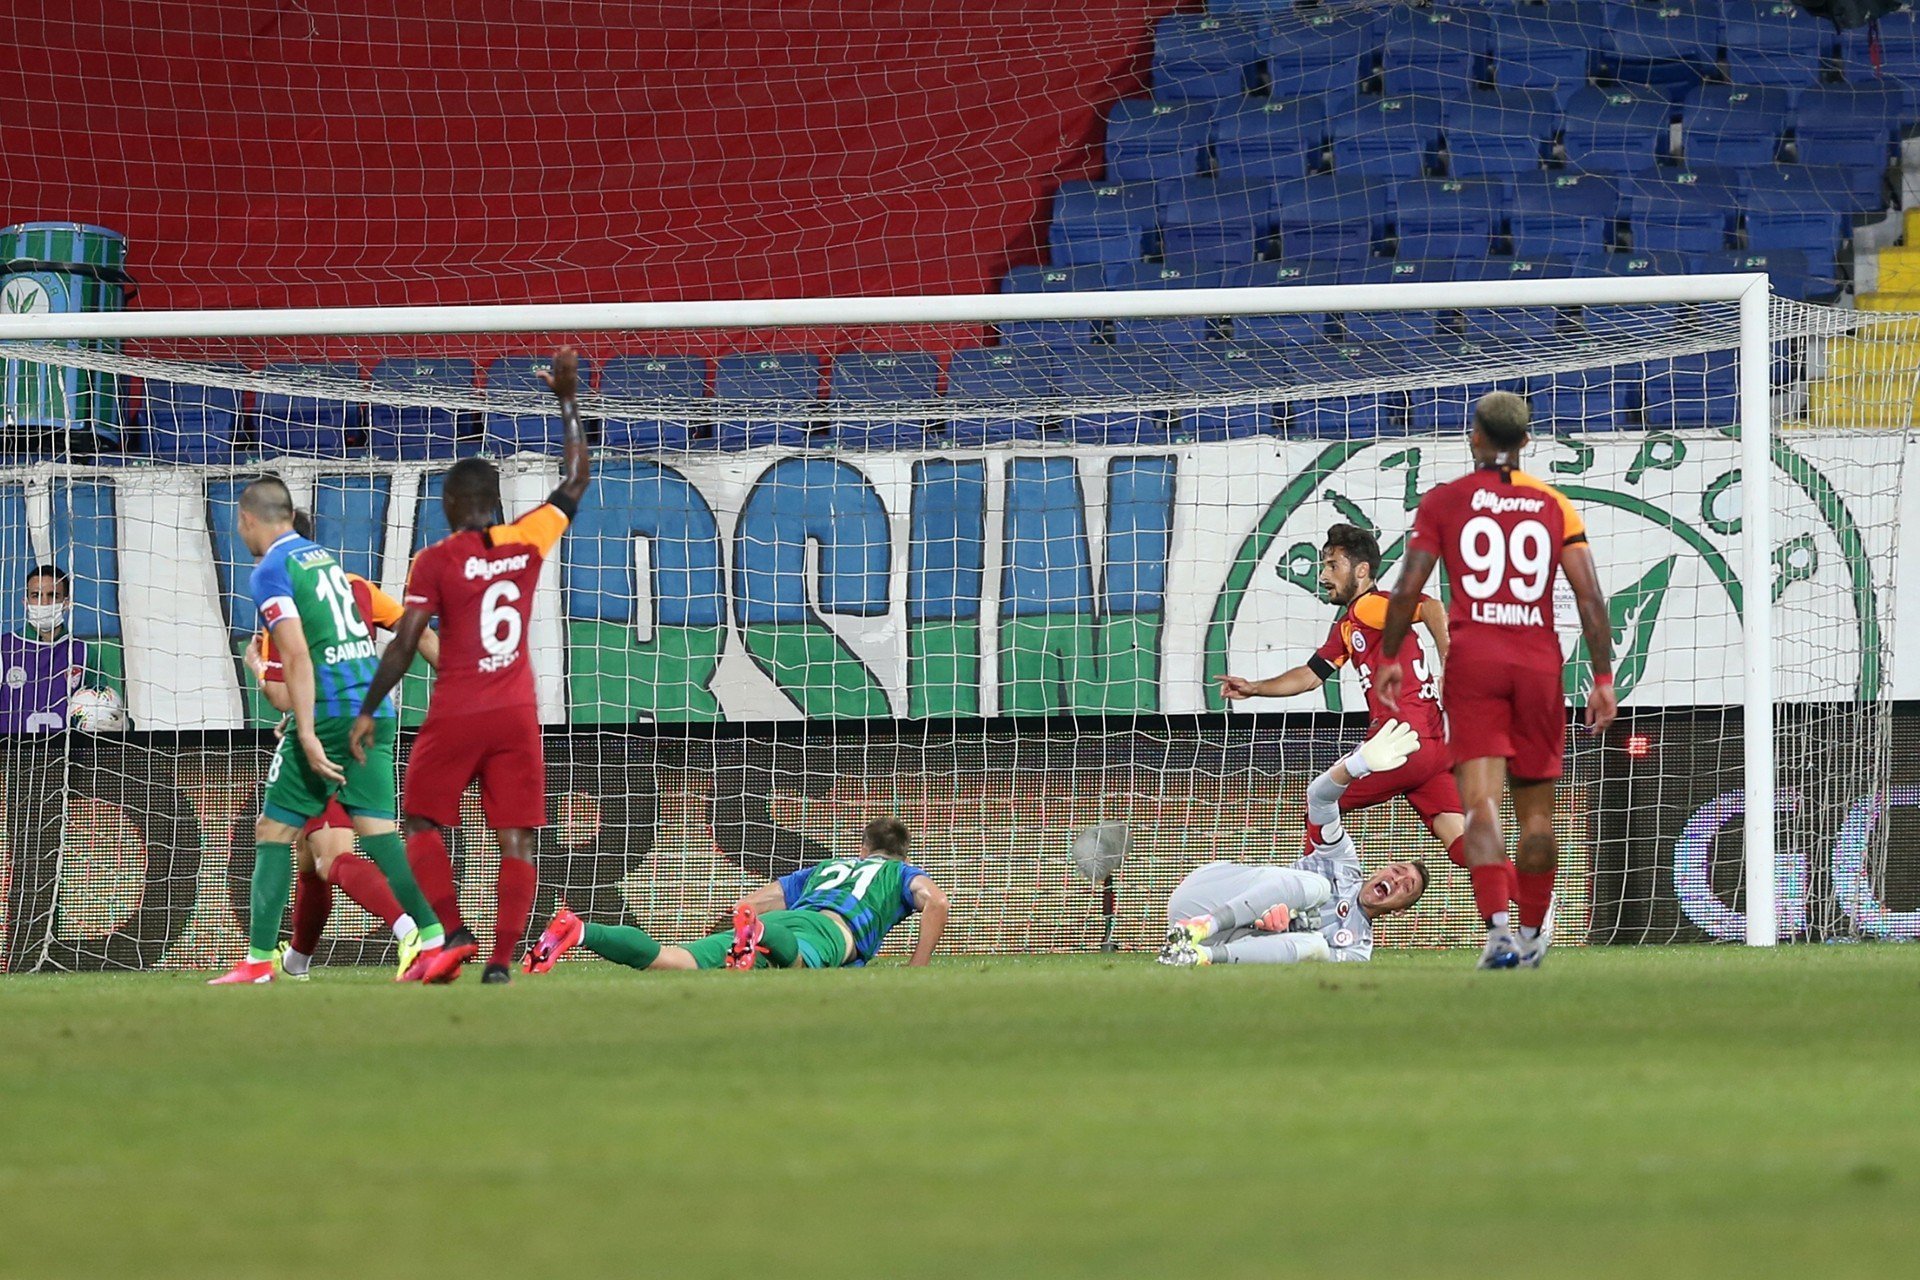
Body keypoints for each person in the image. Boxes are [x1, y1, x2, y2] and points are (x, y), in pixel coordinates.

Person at [351, 347, 591, 985]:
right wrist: (566, 400)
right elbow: (574, 481)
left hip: (457, 708)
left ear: (454, 501)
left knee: (423, 822)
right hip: (517, 712)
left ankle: (454, 931)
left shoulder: (434, 560)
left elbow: (404, 642)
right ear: (493, 501)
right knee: (517, 837)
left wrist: (370, 709)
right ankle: (504, 962)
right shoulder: (527, 538)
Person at [1376, 390, 1616, 970]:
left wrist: (1389, 656)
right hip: (1537, 662)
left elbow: (1408, 587)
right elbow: (1590, 598)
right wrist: (1603, 676)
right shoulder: (1554, 504)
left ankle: (1500, 932)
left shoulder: (1445, 501)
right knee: (1539, 817)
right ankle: (1535, 931)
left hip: (1475, 660)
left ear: (1474, 438)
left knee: (1480, 806)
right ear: (1527, 442)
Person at [209, 476, 455, 985]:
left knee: (277, 832)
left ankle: (259, 962)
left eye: (239, 522)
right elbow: (417, 631)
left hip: (330, 712)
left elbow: (296, 658)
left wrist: (303, 728)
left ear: (249, 520)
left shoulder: (271, 570)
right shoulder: (332, 567)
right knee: (376, 834)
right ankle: (434, 937)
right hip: (376, 709)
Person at [1213, 523, 1505, 898]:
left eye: (1333, 565)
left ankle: (1307, 905)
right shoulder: (1349, 625)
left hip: (1399, 743)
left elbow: (1430, 607)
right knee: (1461, 840)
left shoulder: (1370, 606)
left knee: (1320, 802)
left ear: (1361, 570)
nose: (1323, 575)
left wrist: (1452, 664)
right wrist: (1256, 689)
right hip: (1431, 748)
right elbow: (1311, 675)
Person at [524, 817, 951, 973]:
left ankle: (578, 930)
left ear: (861, 847)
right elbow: (936, 901)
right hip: (824, 929)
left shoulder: (822, 870)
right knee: (799, 960)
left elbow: (748, 904)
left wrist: (746, 919)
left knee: (673, 960)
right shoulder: (901, 872)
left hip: (774, 920)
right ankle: (759, 935)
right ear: (899, 853)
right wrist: (918, 964)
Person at [1159, 720, 1429, 966]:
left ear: (1400, 911)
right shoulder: (1341, 860)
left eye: (1407, 886)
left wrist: (1285, 928)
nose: (1396, 880)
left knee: (1315, 946)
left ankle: (1196, 956)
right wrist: (1356, 765)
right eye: (1396, 870)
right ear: (1380, 870)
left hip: (1228, 945)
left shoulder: (1357, 949)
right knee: (1318, 885)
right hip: (1207, 896)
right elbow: (1319, 798)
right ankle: (1202, 925)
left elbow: (1307, 959)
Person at [0, 565, 87, 734]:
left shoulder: (83, 653)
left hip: (68, 758)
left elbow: (106, 709)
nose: (44, 603)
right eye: (36, 595)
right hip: (11, 758)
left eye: (53, 595)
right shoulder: (5, 648)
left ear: (66, 602)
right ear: (25, 602)